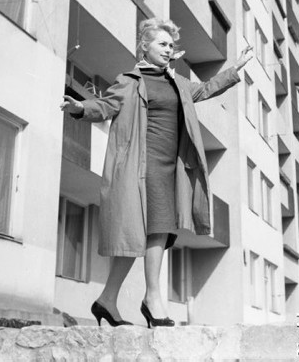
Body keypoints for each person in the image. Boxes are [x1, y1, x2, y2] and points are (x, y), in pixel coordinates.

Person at [60, 18, 253, 327]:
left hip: (170, 166)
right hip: (141, 165)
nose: (168, 49)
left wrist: (235, 69)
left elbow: (204, 89)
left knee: (153, 232)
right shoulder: (130, 81)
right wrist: (80, 109)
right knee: (146, 231)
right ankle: (147, 300)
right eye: (162, 44)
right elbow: (106, 106)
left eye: (171, 45)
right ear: (144, 47)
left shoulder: (178, 83)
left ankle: (111, 300)